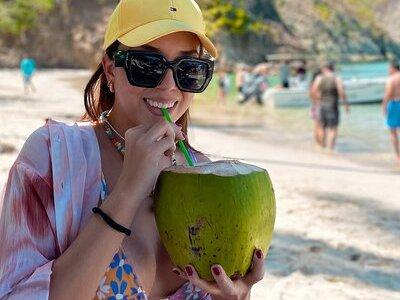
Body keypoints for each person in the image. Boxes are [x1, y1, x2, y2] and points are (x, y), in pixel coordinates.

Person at [0, 0, 265, 299]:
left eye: (189, 69)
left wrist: (234, 296)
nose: (168, 86)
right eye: (146, 66)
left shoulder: (208, 177)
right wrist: (127, 191)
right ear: (110, 69)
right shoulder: (52, 156)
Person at [311, 62, 350, 151]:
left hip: (321, 104)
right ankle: (330, 148)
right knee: (332, 128)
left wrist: (316, 101)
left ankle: (321, 147)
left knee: (321, 127)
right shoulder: (336, 78)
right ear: (332, 68)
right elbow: (341, 92)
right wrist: (346, 104)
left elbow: (313, 90)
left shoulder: (319, 78)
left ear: (325, 68)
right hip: (332, 105)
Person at [382, 60, 400, 165]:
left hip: (394, 104)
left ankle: (398, 156)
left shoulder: (391, 79)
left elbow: (388, 94)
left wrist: (383, 106)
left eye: (389, 68)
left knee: (393, 132)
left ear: (393, 68)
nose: (388, 70)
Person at [309, 69, 323, 147]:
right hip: (319, 106)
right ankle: (321, 145)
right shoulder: (319, 85)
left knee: (315, 126)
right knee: (320, 126)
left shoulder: (311, 85)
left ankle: (318, 144)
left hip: (313, 106)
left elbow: (310, 96)